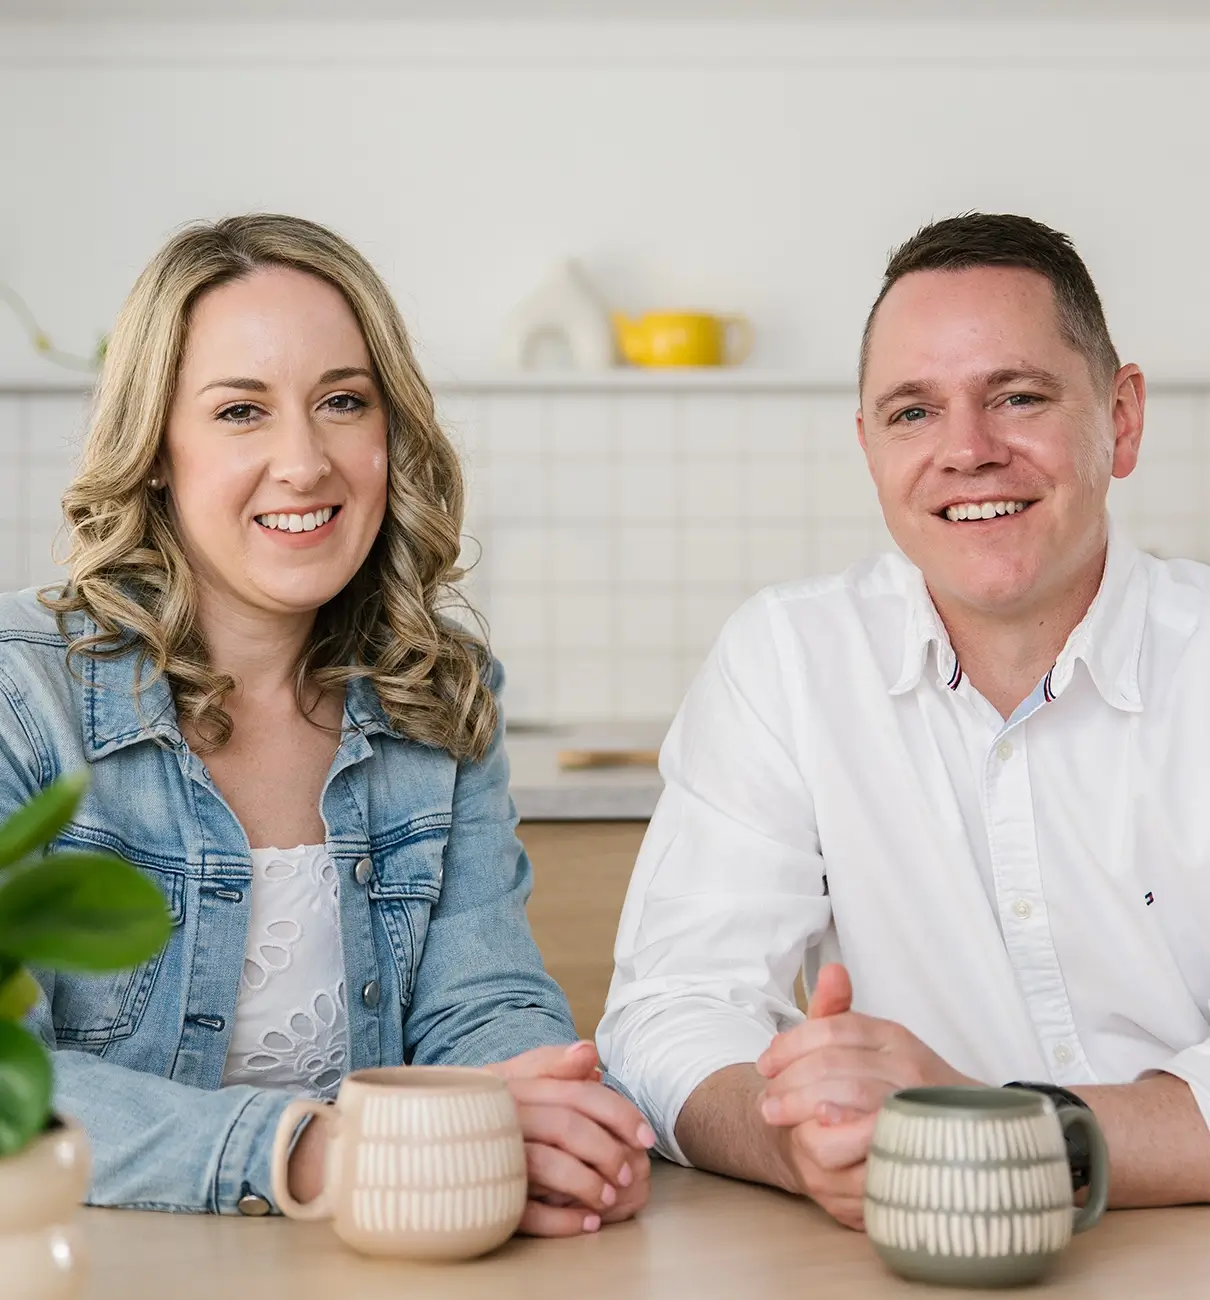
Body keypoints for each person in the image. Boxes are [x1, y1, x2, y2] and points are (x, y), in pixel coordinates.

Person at [8, 213, 653, 1229]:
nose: (305, 462)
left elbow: (482, 1006)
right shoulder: (22, 701)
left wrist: (542, 1107)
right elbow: (14, 1092)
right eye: (240, 412)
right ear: (158, 451)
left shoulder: (436, 697)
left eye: (342, 402)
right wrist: (309, 1149)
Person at [598, 212, 1210, 1230]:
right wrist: (795, 1136)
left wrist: (994, 1137)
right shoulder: (789, 659)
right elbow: (671, 1007)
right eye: (912, 412)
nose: (966, 451)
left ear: (1123, 418)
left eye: (1016, 397)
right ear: (869, 449)